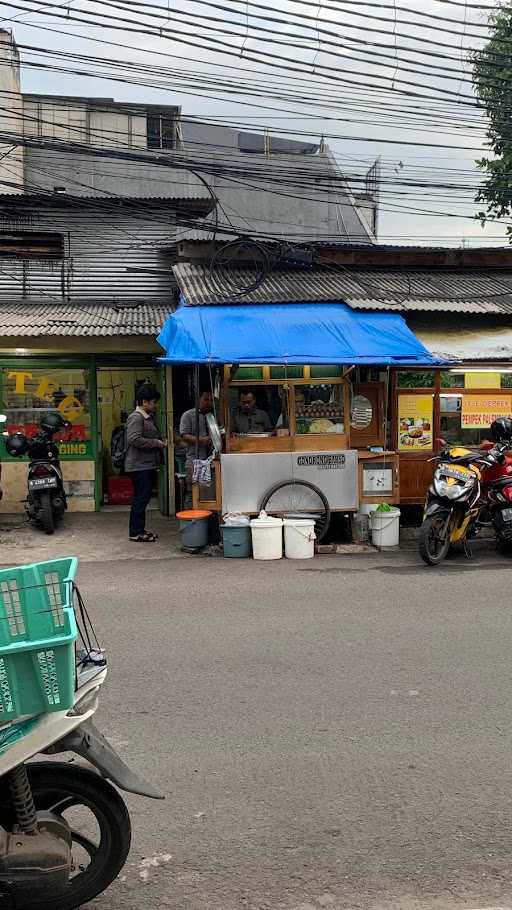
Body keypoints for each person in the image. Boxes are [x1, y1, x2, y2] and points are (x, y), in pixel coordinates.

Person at [125, 383, 166, 543]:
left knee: (143, 497)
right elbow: (134, 439)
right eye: (153, 402)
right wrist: (156, 443)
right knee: (140, 498)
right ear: (144, 402)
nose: (155, 405)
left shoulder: (147, 417)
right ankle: (135, 532)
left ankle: (139, 529)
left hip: (146, 464)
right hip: (138, 466)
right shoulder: (136, 417)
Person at [179, 390, 214, 507]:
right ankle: (189, 523)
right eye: (205, 400)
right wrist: (201, 440)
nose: (209, 403)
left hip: (210, 461)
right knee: (191, 494)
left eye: (211, 400)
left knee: (207, 494)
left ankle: (203, 523)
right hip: (193, 460)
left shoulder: (212, 417)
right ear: (198, 399)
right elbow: (184, 435)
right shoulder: (188, 415)